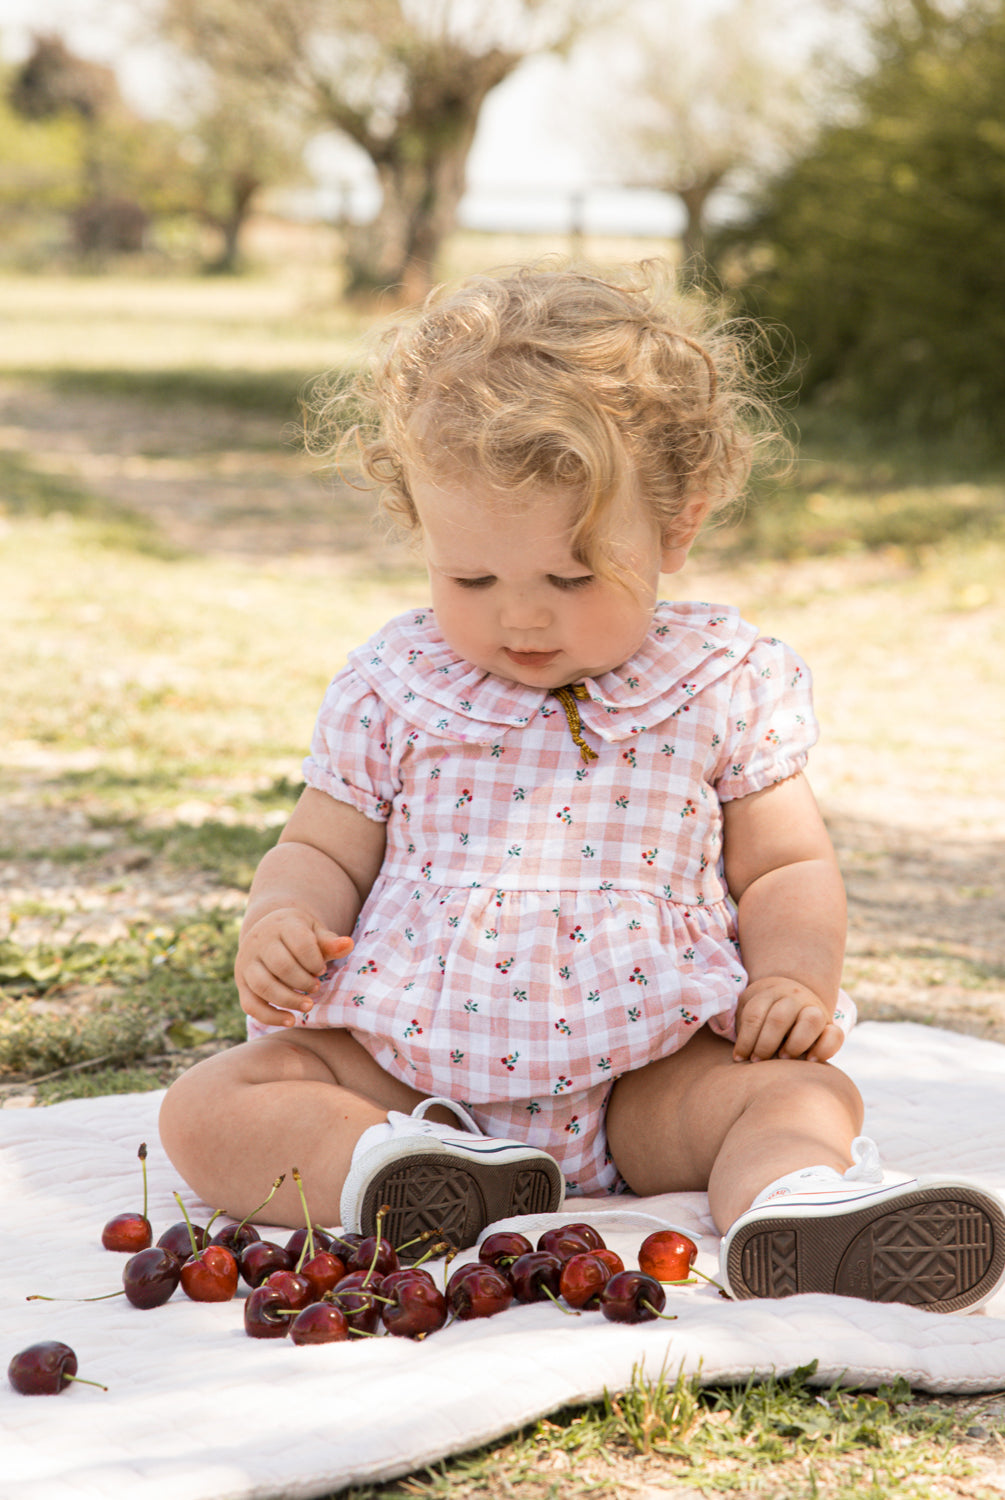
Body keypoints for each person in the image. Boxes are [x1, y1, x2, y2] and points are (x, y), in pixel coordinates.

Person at [160, 262, 1005, 1312]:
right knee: (209, 1107)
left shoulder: (719, 683)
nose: (521, 619)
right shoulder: (397, 683)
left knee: (800, 1093)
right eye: (470, 579)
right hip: (413, 1068)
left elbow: (788, 862)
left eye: (570, 579)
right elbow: (323, 847)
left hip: (647, 1076)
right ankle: (393, 1173)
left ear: (676, 529)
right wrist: (284, 916)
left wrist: (792, 979)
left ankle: (795, 1203)